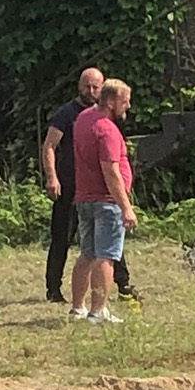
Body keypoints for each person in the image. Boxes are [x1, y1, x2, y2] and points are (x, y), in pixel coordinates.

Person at [39, 68, 137, 303]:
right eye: (86, 86)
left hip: (99, 190)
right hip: (71, 185)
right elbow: (49, 145)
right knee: (63, 236)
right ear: (79, 86)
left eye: (96, 87)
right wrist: (52, 176)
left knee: (106, 242)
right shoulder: (70, 114)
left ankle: (122, 284)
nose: (91, 91)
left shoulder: (104, 117)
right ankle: (54, 289)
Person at [70, 78, 137, 323]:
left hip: (84, 198)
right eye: (124, 101)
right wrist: (126, 208)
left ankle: (78, 307)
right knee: (106, 256)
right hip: (106, 201)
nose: (127, 106)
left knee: (86, 254)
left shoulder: (84, 118)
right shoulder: (107, 130)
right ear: (110, 102)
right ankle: (97, 312)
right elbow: (111, 171)